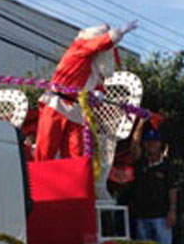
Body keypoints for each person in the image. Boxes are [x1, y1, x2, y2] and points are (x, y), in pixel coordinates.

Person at [35, 20, 138, 160]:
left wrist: (98, 95)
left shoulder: (97, 68)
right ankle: (39, 180)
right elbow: (99, 44)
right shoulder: (79, 47)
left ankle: (73, 181)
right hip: (57, 104)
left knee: (77, 155)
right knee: (46, 150)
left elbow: (97, 88)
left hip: (77, 111)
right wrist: (118, 33)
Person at [129, 119, 178, 244]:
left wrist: (172, 210)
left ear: (160, 144)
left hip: (161, 217)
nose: (152, 144)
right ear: (144, 144)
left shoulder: (167, 166)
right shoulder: (140, 162)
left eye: (155, 141)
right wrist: (140, 124)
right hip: (142, 216)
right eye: (148, 141)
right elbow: (134, 146)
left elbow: (172, 189)